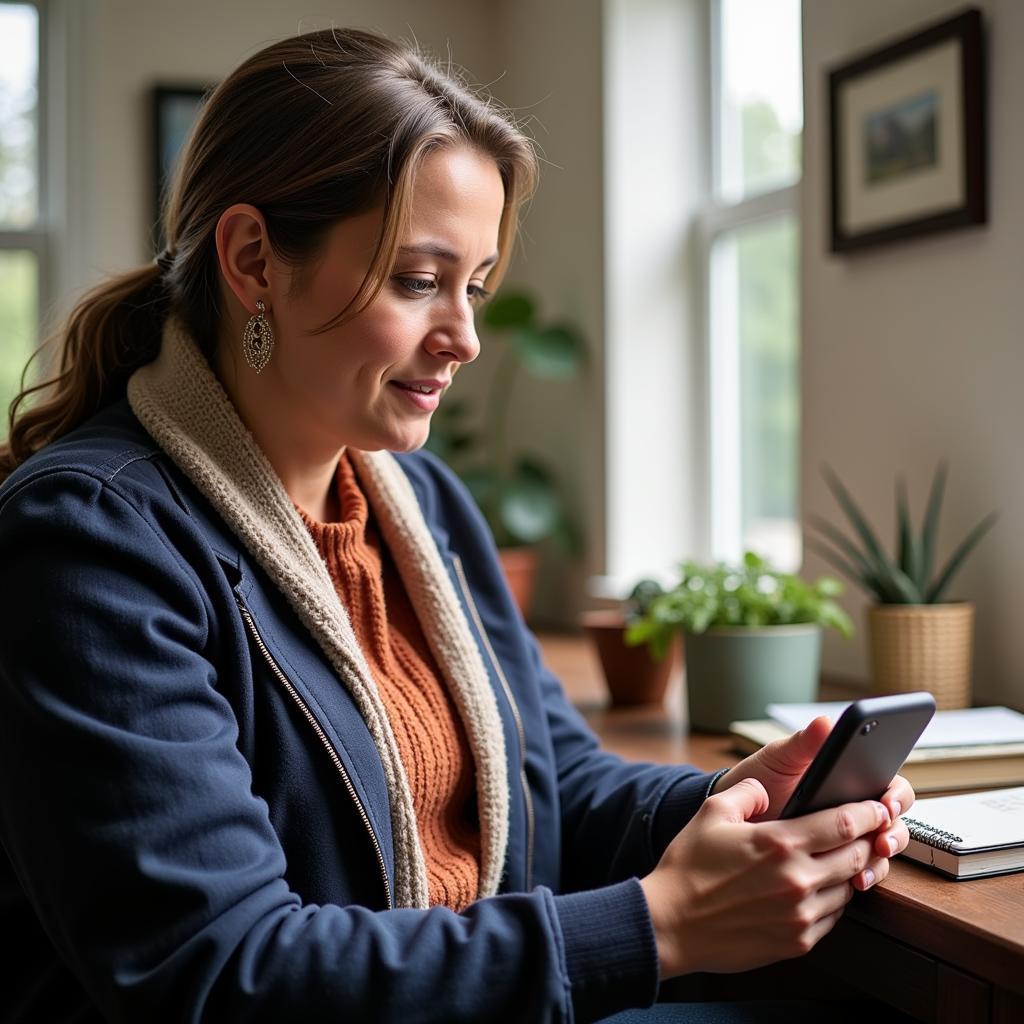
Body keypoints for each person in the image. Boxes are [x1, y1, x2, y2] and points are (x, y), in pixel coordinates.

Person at [0, 28, 913, 1024]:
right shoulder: (93, 540)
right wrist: (659, 926)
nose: (466, 337)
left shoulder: (421, 506)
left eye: (473, 285)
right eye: (418, 280)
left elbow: (550, 778)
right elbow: (221, 971)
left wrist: (729, 799)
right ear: (254, 259)